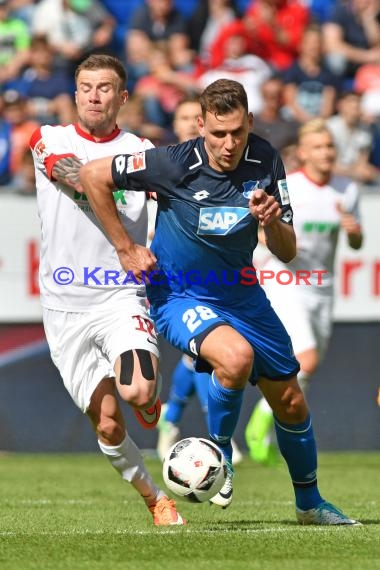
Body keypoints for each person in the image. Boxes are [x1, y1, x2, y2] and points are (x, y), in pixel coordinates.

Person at [79, 78, 360, 525]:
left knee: (290, 401)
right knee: (235, 356)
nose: (228, 145)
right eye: (217, 134)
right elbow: (92, 175)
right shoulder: (172, 163)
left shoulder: (266, 158)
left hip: (244, 295)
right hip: (179, 293)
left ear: (249, 122)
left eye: (237, 133)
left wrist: (272, 222)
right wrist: (124, 247)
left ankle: (310, 504)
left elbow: (286, 250)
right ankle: (220, 457)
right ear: (201, 125)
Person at [29, 54, 185, 526]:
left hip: (120, 295)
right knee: (109, 422)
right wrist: (125, 244)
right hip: (64, 305)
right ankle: (154, 497)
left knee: (136, 391)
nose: (94, 95)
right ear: (75, 94)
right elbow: (84, 179)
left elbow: (179, 207)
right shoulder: (49, 139)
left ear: (122, 97)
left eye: (105, 88)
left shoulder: (144, 152)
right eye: (86, 86)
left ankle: (149, 397)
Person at [245, 118, 363, 466]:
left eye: (329, 146)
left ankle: (274, 428)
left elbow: (356, 243)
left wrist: (354, 231)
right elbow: (257, 224)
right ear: (303, 153)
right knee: (305, 357)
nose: (326, 152)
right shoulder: (289, 186)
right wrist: (270, 240)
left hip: (321, 286)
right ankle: (260, 422)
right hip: (284, 278)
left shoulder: (347, 189)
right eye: (318, 147)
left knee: (306, 367)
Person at [155, 96, 243, 464]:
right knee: (204, 355)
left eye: (197, 117)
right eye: (185, 118)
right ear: (176, 126)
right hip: (170, 278)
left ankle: (171, 420)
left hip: (217, 277)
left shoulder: (222, 168)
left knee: (201, 358)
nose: (192, 123)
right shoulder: (160, 167)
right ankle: (215, 437)